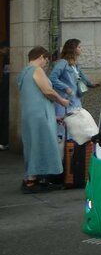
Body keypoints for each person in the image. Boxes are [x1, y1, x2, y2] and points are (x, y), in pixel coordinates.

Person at [17, 46, 70, 193]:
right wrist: (62, 101)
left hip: (31, 114)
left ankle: (35, 178)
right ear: (41, 57)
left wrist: (53, 116)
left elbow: (33, 96)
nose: (46, 64)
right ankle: (32, 181)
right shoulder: (36, 70)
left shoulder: (23, 73)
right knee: (42, 144)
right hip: (40, 115)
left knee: (33, 145)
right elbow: (47, 90)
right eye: (46, 60)